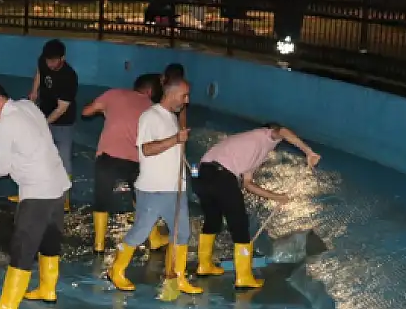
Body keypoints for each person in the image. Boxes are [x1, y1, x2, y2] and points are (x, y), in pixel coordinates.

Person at [0, 83, 72, 309]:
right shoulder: (28, 106)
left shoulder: (5, 126)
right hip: (57, 184)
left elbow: (1, 168)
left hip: (37, 190)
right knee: (50, 242)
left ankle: (8, 304)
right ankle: (47, 290)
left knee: (23, 246)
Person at [193, 124, 321, 287]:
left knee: (213, 220)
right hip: (221, 175)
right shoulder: (263, 135)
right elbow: (282, 131)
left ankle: (204, 266)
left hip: (201, 175)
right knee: (239, 225)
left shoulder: (249, 149)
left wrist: (278, 197)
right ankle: (244, 278)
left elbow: (248, 184)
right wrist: (308, 152)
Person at [108, 78, 202, 295]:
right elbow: (147, 149)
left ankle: (178, 277)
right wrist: (176, 138)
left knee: (182, 234)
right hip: (153, 189)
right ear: (170, 94)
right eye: (184, 96)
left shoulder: (171, 117)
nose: (186, 100)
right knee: (140, 232)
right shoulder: (151, 116)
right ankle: (117, 270)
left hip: (174, 188)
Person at [81, 73, 169, 253]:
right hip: (135, 160)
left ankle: (99, 245)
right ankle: (154, 238)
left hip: (107, 156)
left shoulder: (114, 94)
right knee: (142, 199)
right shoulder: (153, 108)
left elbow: (86, 111)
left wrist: (105, 110)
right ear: (150, 91)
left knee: (101, 199)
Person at [15, 39, 78, 210]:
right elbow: (39, 73)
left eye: (53, 60)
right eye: (47, 59)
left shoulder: (69, 76)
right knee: (34, 153)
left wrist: (43, 123)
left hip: (63, 122)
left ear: (62, 58)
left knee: (63, 158)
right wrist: (34, 91)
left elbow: (62, 108)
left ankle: (64, 198)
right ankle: (29, 192)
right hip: (43, 111)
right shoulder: (44, 61)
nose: (49, 63)